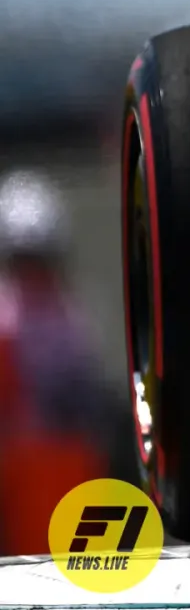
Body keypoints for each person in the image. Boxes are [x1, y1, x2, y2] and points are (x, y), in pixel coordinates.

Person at [0, 168, 115, 556]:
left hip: (65, 474)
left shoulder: (72, 322)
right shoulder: (5, 320)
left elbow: (90, 406)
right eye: (24, 257)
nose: (34, 270)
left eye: (40, 257)